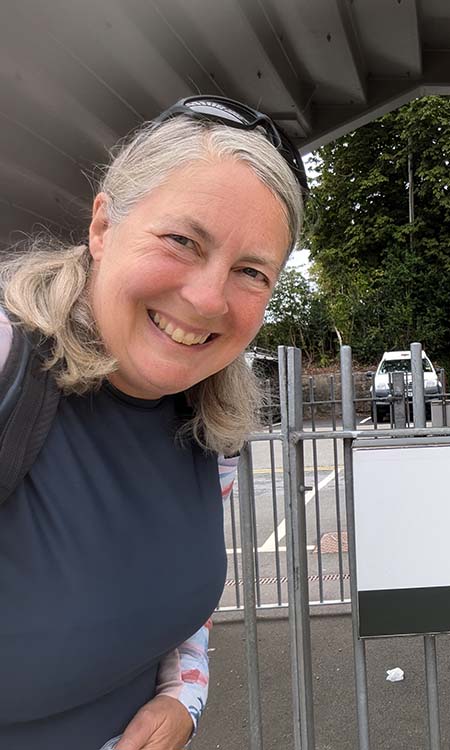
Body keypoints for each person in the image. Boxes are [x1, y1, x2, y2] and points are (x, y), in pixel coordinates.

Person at [0, 96, 307, 749]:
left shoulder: (208, 424)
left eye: (251, 272)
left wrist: (183, 697)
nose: (207, 298)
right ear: (104, 227)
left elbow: (181, 606)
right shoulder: (8, 362)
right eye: (182, 241)